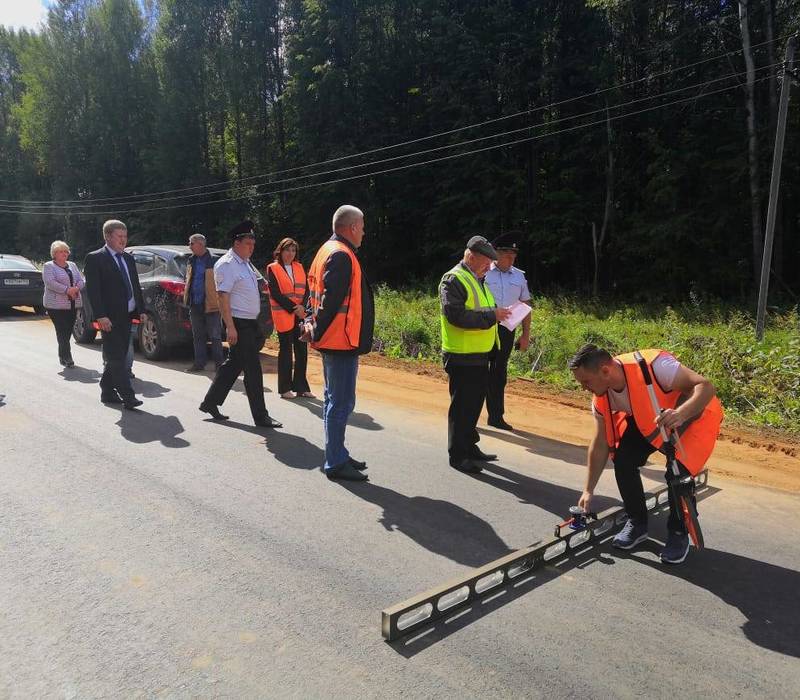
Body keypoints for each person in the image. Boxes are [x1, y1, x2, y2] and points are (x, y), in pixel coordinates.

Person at [569, 343, 723, 564]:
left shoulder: (656, 366)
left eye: (586, 382)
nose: (584, 388)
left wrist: (680, 414)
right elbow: (600, 442)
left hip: (691, 416)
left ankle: (679, 533)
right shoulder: (601, 397)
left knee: (677, 475)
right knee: (623, 460)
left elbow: (706, 387)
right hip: (650, 421)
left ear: (605, 371)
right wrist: (588, 490)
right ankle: (637, 523)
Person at [302, 205, 374, 482]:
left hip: (334, 340)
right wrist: (315, 328)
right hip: (340, 341)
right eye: (363, 226)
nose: (364, 232)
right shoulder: (342, 255)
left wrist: (310, 323)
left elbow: (313, 294)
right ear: (352, 227)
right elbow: (330, 302)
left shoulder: (326, 251)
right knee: (340, 403)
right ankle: (335, 461)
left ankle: (338, 453)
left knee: (335, 400)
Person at [439, 236, 511, 473]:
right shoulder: (453, 280)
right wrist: (493, 316)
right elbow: (456, 316)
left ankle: (470, 447)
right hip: (462, 355)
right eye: (486, 262)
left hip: (480, 355)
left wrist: (498, 313)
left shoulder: (477, 279)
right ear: (470, 256)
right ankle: (458, 455)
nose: (489, 267)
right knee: (462, 409)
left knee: (473, 406)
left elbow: (481, 310)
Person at [200, 220, 282, 428]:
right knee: (253, 370)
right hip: (238, 322)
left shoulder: (245, 262)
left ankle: (210, 403)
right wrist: (230, 327)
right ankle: (261, 417)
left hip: (250, 322)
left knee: (233, 365)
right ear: (237, 243)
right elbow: (222, 297)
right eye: (248, 244)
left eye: (253, 244)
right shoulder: (227, 264)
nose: (251, 248)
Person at [83, 220, 146, 409]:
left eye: (125, 236)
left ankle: (107, 390)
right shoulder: (95, 258)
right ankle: (128, 396)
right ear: (108, 236)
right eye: (119, 236)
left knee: (116, 355)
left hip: (127, 315)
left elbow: (134, 285)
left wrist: (141, 310)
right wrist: (100, 315)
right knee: (117, 357)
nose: (123, 240)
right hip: (108, 318)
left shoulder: (128, 258)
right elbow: (93, 291)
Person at [484, 233, 531, 430]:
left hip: (506, 330)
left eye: (514, 255)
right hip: (482, 327)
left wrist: (525, 334)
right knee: (477, 372)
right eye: (507, 255)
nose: (511, 259)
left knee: (499, 372)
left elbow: (525, 304)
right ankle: (468, 416)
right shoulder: (483, 271)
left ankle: (496, 416)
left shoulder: (519, 276)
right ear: (496, 253)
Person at [267, 237, 313, 399]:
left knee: (301, 351)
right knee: (286, 350)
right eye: (287, 250)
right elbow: (275, 293)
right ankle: (285, 388)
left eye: (293, 250)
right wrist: (295, 308)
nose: (290, 253)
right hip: (284, 314)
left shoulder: (299, 267)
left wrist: (302, 308)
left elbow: (307, 290)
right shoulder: (273, 268)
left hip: (299, 314)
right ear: (281, 250)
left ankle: (301, 387)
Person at [183, 233, 224, 372]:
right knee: (198, 336)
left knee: (215, 336)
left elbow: (222, 283)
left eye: (191, 243)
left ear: (200, 244)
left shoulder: (215, 261)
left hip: (211, 304)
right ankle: (199, 363)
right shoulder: (191, 260)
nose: (189, 246)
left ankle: (219, 365)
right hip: (195, 303)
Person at [42, 240, 85, 368]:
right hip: (55, 305)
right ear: (54, 254)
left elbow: (80, 279)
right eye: (61, 251)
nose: (64, 254)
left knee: (67, 330)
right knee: (62, 330)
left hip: (72, 303)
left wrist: (76, 288)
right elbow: (50, 282)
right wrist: (67, 290)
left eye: (66, 251)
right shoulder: (48, 266)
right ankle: (67, 357)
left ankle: (62, 355)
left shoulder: (72, 265)